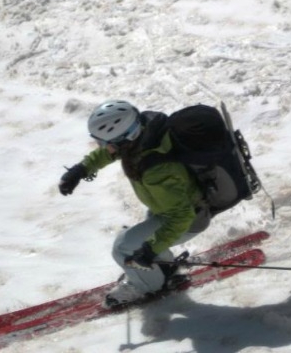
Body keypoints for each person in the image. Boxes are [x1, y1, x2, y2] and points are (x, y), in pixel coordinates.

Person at [58, 100, 212, 307]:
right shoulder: (143, 134)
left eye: (104, 142)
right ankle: (163, 268)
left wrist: (149, 250)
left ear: (124, 139)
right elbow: (111, 152)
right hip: (167, 209)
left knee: (123, 248)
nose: (102, 147)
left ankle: (149, 285)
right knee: (138, 241)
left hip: (188, 218)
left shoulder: (156, 169)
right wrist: (82, 169)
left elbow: (181, 216)